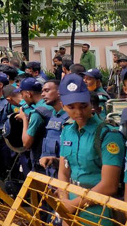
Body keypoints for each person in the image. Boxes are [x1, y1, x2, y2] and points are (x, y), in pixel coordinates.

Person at [58, 74, 124, 225]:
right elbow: (63, 171)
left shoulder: (108, 135)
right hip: (71, 201)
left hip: (98, 208)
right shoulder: (67, 131)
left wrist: (71, 206)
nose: (79, 112)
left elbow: (109, 185)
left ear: (90, 102)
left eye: (83, 106)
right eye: (71, 107)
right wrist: (64, 201)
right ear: (63, 106)